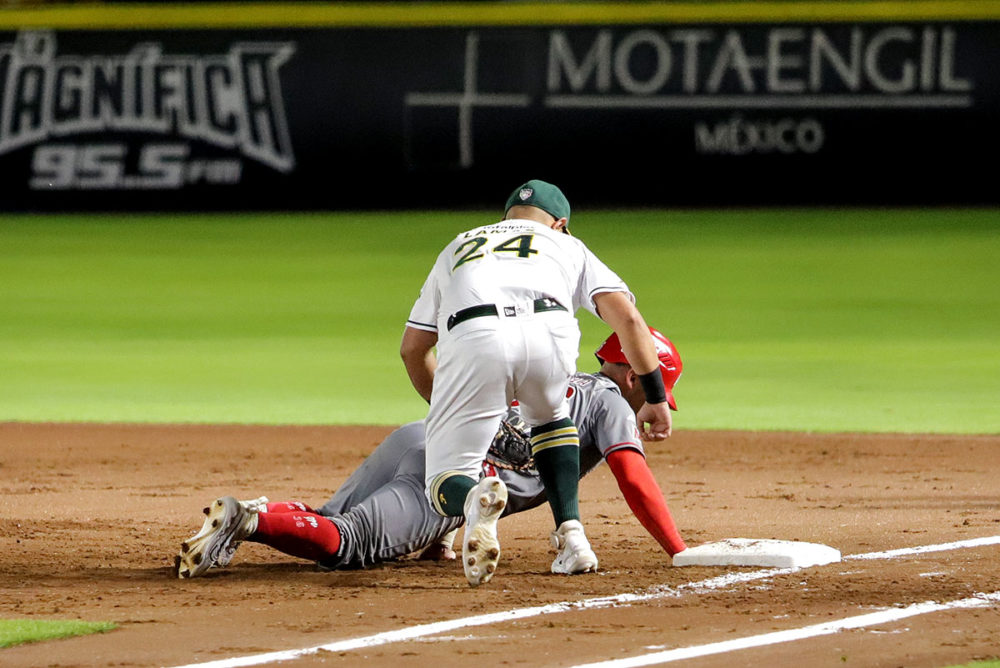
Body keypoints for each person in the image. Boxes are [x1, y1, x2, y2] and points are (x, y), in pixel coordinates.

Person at [175, 329, 687, 579]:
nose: (658, 400)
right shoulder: (613, 403)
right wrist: (677, 548)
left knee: (331, 517)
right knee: (346, 544)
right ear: (632, 373)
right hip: (447, 476)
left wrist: (437, 534)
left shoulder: (552, 376)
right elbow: (633, 479)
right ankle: (247, 521)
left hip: (416, 437)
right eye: (658, 388)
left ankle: (264, 512)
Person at [399, 179, 674, 586]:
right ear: (560, 223)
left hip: (475, 337)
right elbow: (630, 320)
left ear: (506, 217)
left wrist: (451, 410)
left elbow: (413, 349)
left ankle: (474, 501)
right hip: (550, 330)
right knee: (552, 417)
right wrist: (654, 397)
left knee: (441, 482)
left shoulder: (459, 245)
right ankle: (573, 540)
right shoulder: (566, 245)